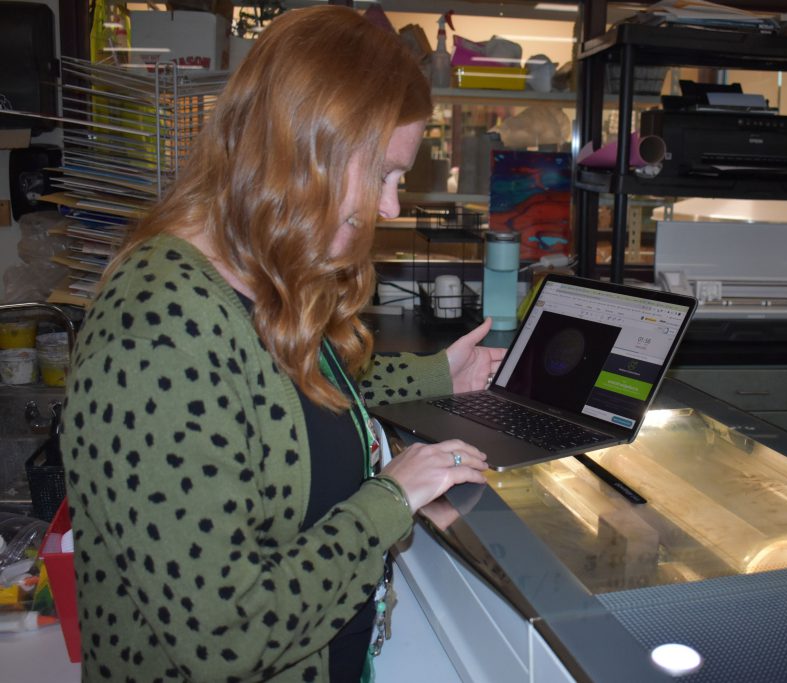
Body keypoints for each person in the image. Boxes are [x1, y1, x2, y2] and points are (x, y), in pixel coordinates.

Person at [62, 6, 503, 681]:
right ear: (305, 156)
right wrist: (389, 499)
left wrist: (441, 372)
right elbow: (226, 639)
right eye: (384, 173)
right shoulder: (157, 331)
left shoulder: (258, 273)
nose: (390, 208)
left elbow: (292, 398)